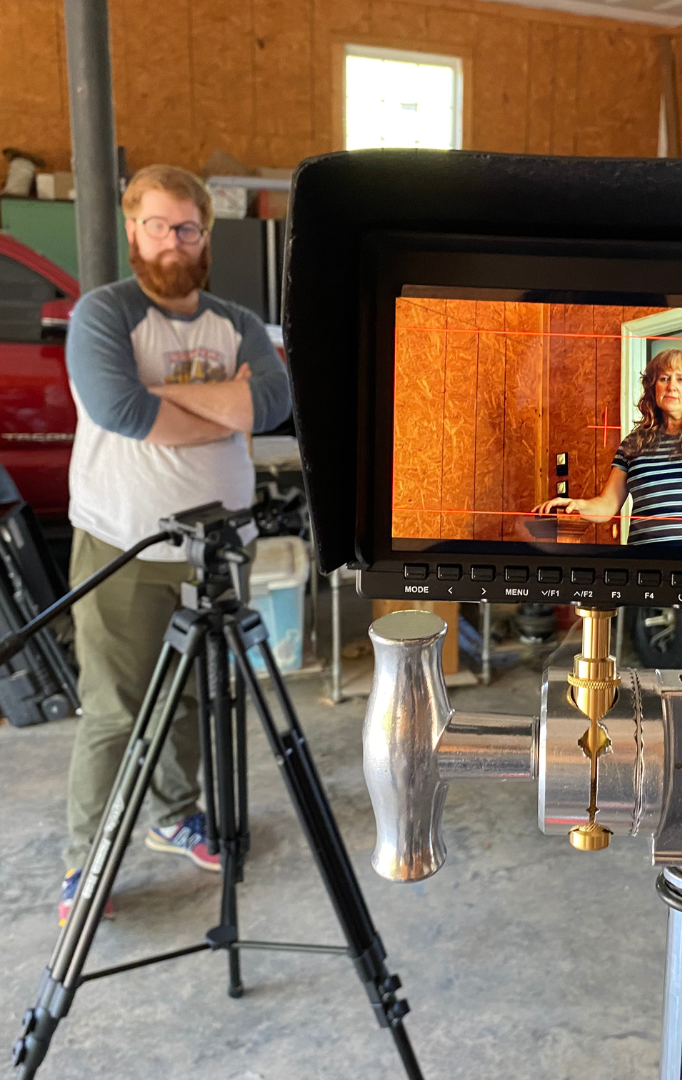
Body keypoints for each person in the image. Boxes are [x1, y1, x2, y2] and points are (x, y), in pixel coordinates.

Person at [58, 164, 292, 925]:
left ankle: (174, 812)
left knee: (199, 693)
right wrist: (223, 409)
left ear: (205, 234)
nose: (172, 241)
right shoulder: (104, 315)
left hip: (217, 551)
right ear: (133, 230)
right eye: (157, 225)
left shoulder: (236, 322)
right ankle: (85, 864)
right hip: (124, 547)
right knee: (117, 710)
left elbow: (273, 401)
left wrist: (173, 399)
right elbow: (122, 412)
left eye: (186, 227)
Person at [535, 348, 682, 546]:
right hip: (647, 567)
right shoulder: (633, 443)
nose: (672, 387)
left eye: (681, 379)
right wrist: (575, 504)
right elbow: (608, 504)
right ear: (653, 388)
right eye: (664, 378)